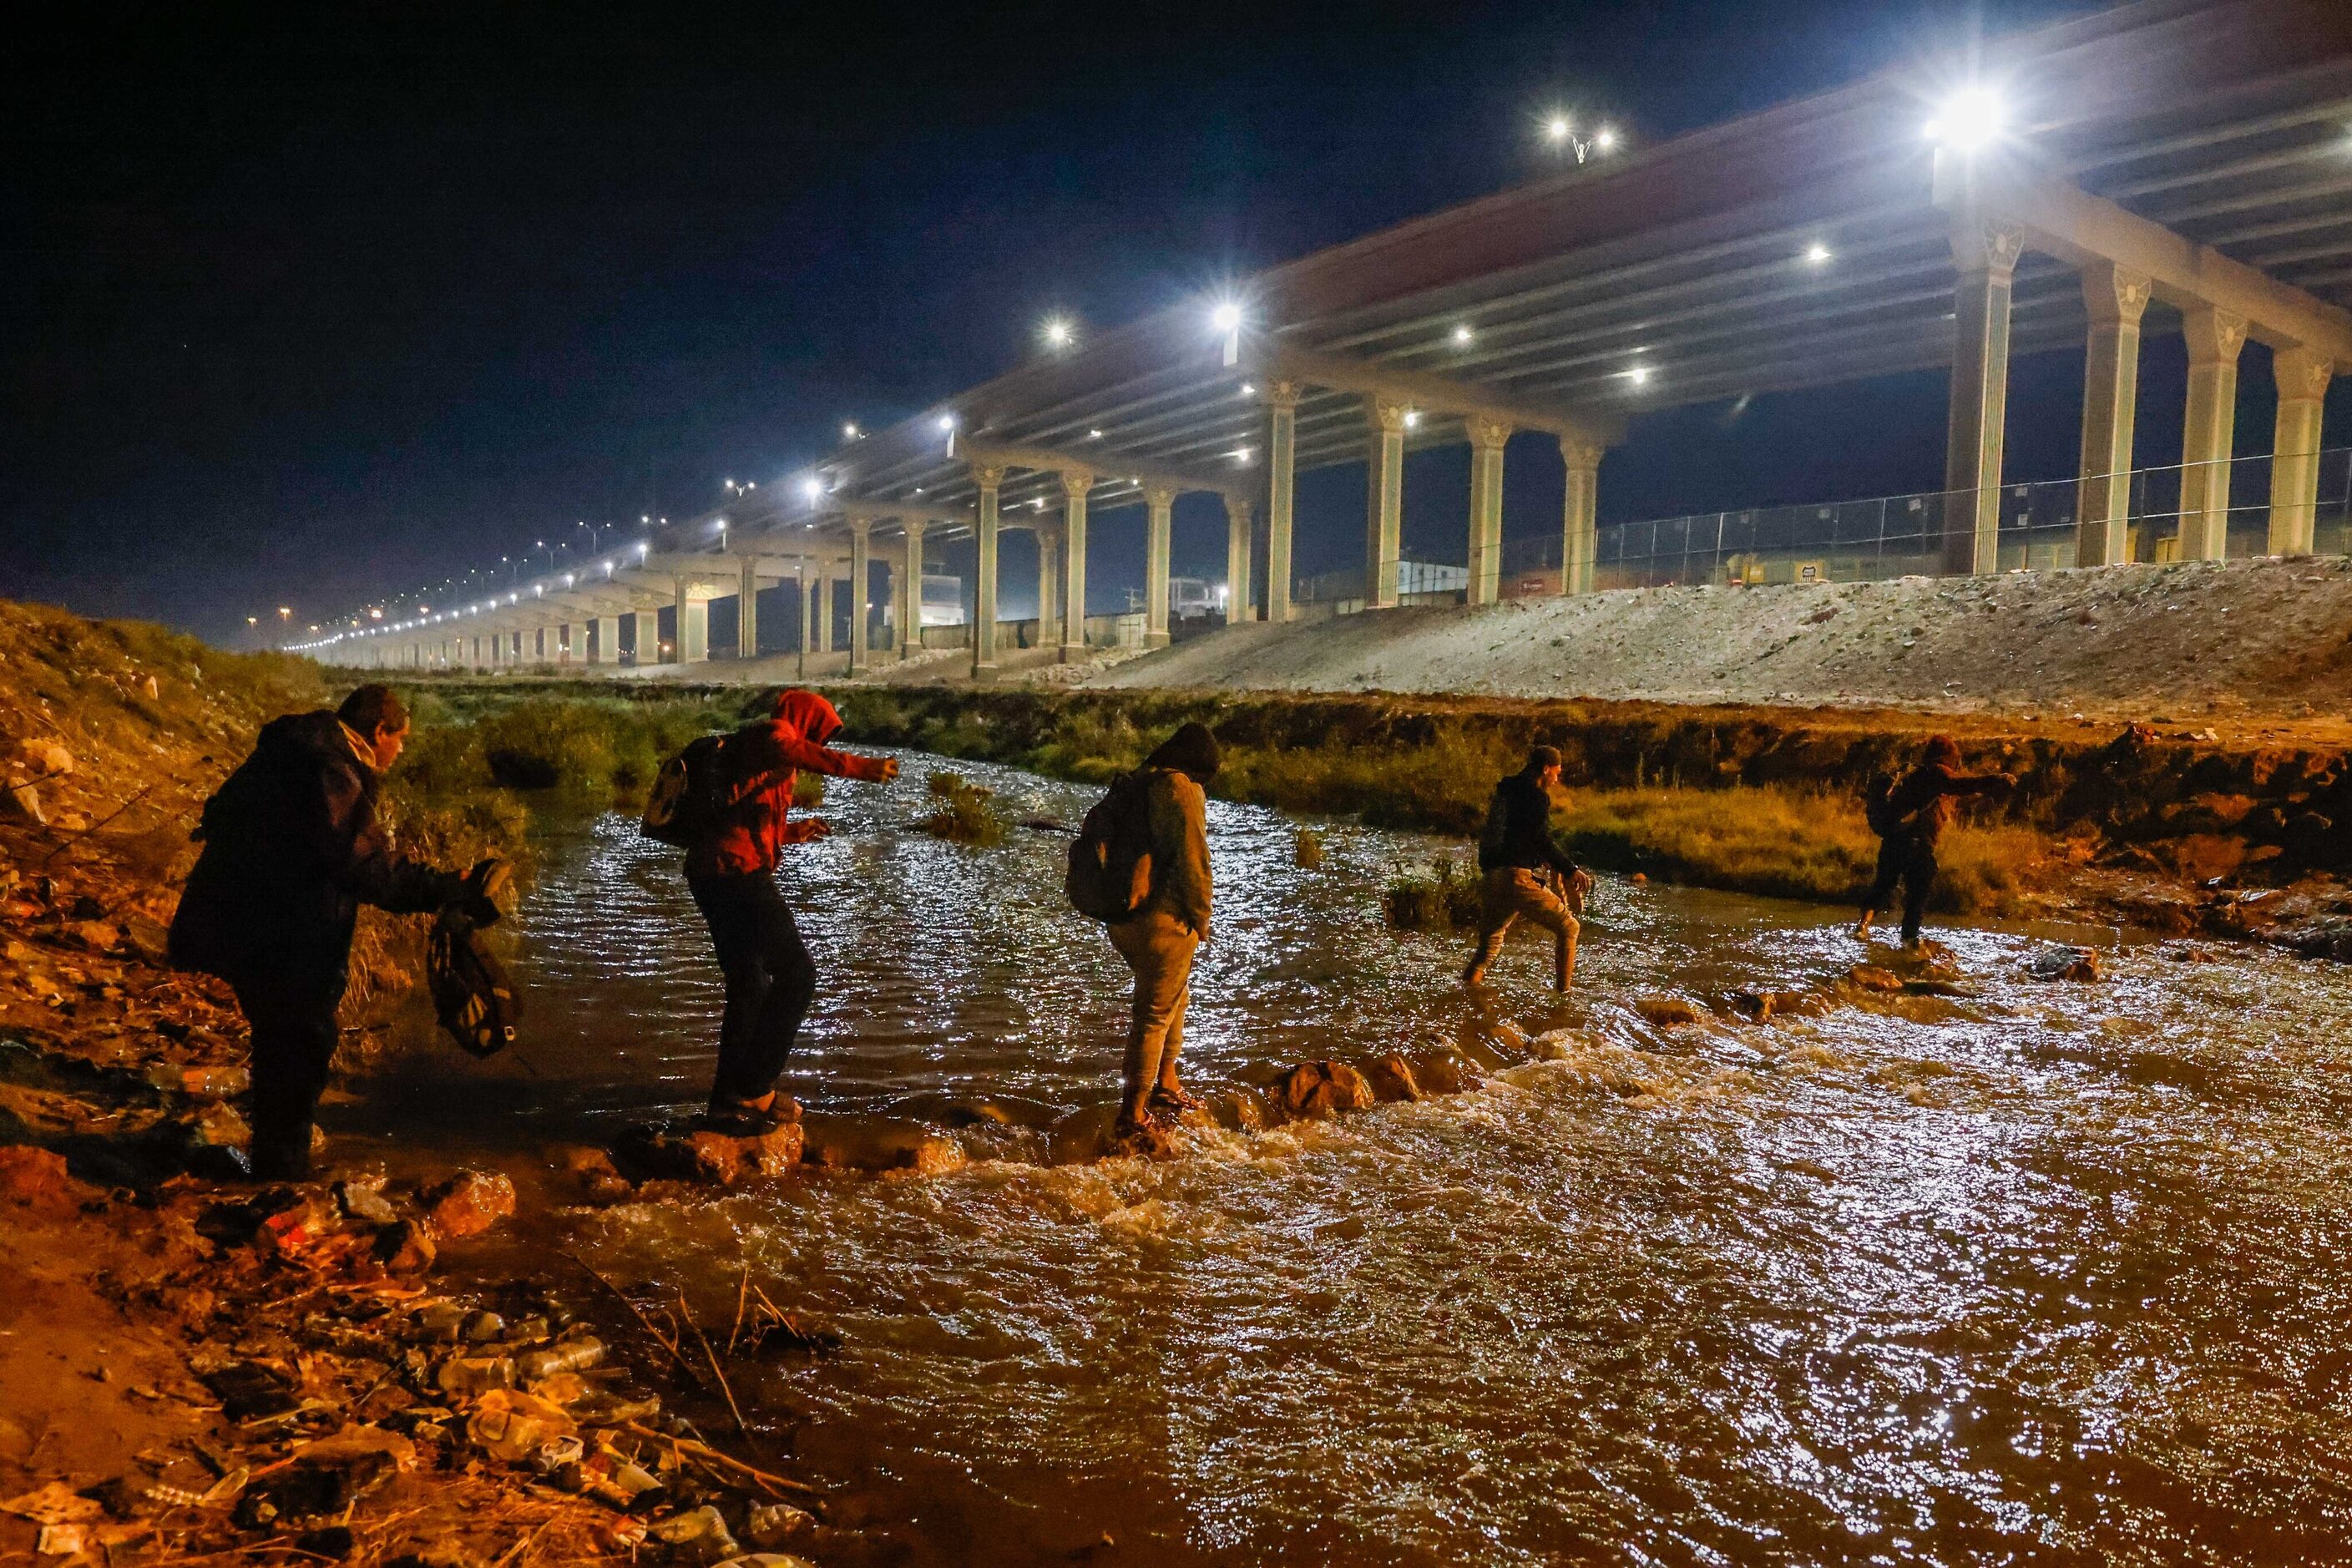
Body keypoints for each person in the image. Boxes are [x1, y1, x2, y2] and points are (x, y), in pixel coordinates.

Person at [169, 684, 502, 1180]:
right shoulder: (330, 769)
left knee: (284, 1040)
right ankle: (280, 1175)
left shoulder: (298, 749)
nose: (402, 750)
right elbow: (364, 867)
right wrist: (442, 888)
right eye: (401, 738)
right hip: (278, 931)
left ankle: (275, 1161)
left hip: (240, 918)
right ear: (379, 731)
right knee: (300, 1044)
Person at [682, 689, 898, 1132]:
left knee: (749, 981)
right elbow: (789, 748)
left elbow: (747, 817)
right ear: (807, 719)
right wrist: (861, 767)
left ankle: (726, 1102)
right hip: (737, 873)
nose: (820, 737)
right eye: (821, 730)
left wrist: (794, 831)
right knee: (797, 974)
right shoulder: (776, 733)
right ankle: (756, 1086)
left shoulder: (753, 747)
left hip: (712, 872)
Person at [1107, 722, 1218, 1137]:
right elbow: (1195, 863)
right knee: (1153, 1016)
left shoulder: (1140, 782)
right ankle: (1133, 1113)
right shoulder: (1181, 790)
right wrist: (1201, 918)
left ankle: (1167, 1083)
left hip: (1124, 917)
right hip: (1164, 921)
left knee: (1174, 995)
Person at [1854, 734, 2016, 948]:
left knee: (1883, 887)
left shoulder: (1913, 774)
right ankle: (1909, 941)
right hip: (1917, 844)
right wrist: (1995, 780)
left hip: (1893, 839)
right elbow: (1959, 785)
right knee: (1917, 895)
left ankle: (1862, 927)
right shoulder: (1938, 773)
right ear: (1949, 757)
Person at [1462, 745, 1593, 992]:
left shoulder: (1506, 791)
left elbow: (1514, 836)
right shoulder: (1536, 797)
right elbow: (1541, 839)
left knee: (1487, 949)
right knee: (1569, 927)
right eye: (1556, 772)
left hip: (1493, 877)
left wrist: (1535, 858)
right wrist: (1569, 869)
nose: (1557, 779)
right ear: (1545, 769)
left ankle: (1467, 994)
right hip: (1516, 879)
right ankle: (1563, 997)